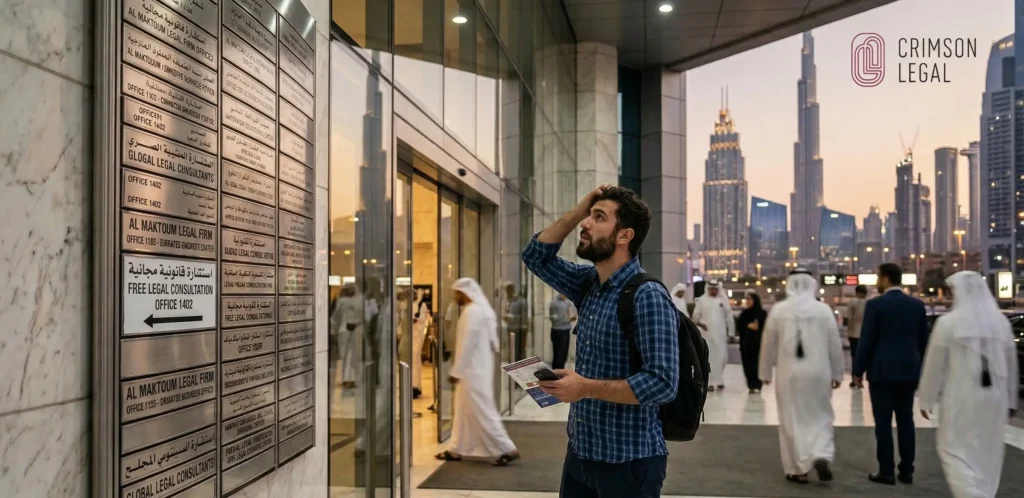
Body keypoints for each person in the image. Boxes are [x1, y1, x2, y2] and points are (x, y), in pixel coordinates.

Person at [522, 185, 679, 498]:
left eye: (598, 217)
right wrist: (579, 210)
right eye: (588, 216)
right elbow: (535, 256)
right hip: (581, 453)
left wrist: (585, 387)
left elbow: (663, 383)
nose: (586, 224)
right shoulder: (589, 284)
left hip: (628, 462)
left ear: (624, 236)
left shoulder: (648, 296)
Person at [918, 272, 1019, 498]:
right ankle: (984, 492)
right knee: (988, 452)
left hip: (961, 396)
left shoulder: (948, 323)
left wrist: (926, 398)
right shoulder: (1001, 323)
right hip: (996, 399)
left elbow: (934, 364)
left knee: (952, 449)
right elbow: (1012, 365)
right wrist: (1011, 400)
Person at [759, 268, 845, 484]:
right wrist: (837, 373)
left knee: (791, 418)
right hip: (819, 371)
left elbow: (767, 344)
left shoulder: (779, 310)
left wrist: (765, 372)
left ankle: (798, 469)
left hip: (789, 372)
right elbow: (835, 345)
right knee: (821, 414)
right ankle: (821, 453)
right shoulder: (823, 310)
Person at [853, 263, 930, 486]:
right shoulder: (916, 305)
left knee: (883, 423)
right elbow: (923, 340)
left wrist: (858, 371)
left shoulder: (876, 305)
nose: (877, 282)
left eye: (878, 278)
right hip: (909, 371)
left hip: (882, 372)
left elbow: (867, 341)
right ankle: (907, 471)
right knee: (906, 420)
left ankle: (886, 471)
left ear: (886, 279)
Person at [435, 278, 520, 466]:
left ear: (465, 293)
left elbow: (467, 345)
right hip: (475, 370)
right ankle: (457, 448)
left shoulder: (473, 312)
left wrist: (456, 371)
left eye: (456, 293)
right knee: (464, 411)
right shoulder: (476, 311)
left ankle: (506, 447)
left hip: (472, 372)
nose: (454, 297)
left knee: (482, 410)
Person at [692, 279, 733, 391]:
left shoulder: (723, 301)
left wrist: (732, 332)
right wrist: (701, 324)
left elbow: (729, 317)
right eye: (711, 289)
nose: (713, 291)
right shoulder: (701, 300)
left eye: (715, 289)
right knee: (709, 359)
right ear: (708, 289)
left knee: (722, 358)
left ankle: (719, 380)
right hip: (707, 335)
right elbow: (695, 317)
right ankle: (709, 382)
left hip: (721, 335)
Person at [737, 291, 767, 393]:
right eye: (747, 299)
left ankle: (758, 384)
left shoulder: (762, 314)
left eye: (750, 299)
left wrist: (756, 328)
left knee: (758, 365)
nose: (748, 301)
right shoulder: (744, 314)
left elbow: (765, 328)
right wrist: (748, 326)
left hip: (759, 345)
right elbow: (740, 327)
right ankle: (751, 385)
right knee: (748, 365)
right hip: (746, 345)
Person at [845, 285, 868, 388]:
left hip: (853, 334)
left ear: (856, 292)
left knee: (854, 357)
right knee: (863, 357)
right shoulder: (868, 303)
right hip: (865, 334)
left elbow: (847, 318)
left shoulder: (852, 302)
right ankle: (860, 378)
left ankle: (854, 380)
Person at [549, 294, 576, 370]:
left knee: (564, 354)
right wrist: (568, 319)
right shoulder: (554, 303)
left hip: (566, 330)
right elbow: (554, 319)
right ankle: (556, 374)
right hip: (558, 331)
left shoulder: (567, 302)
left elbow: (572, 312)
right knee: (558, 355)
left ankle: (561, 372)